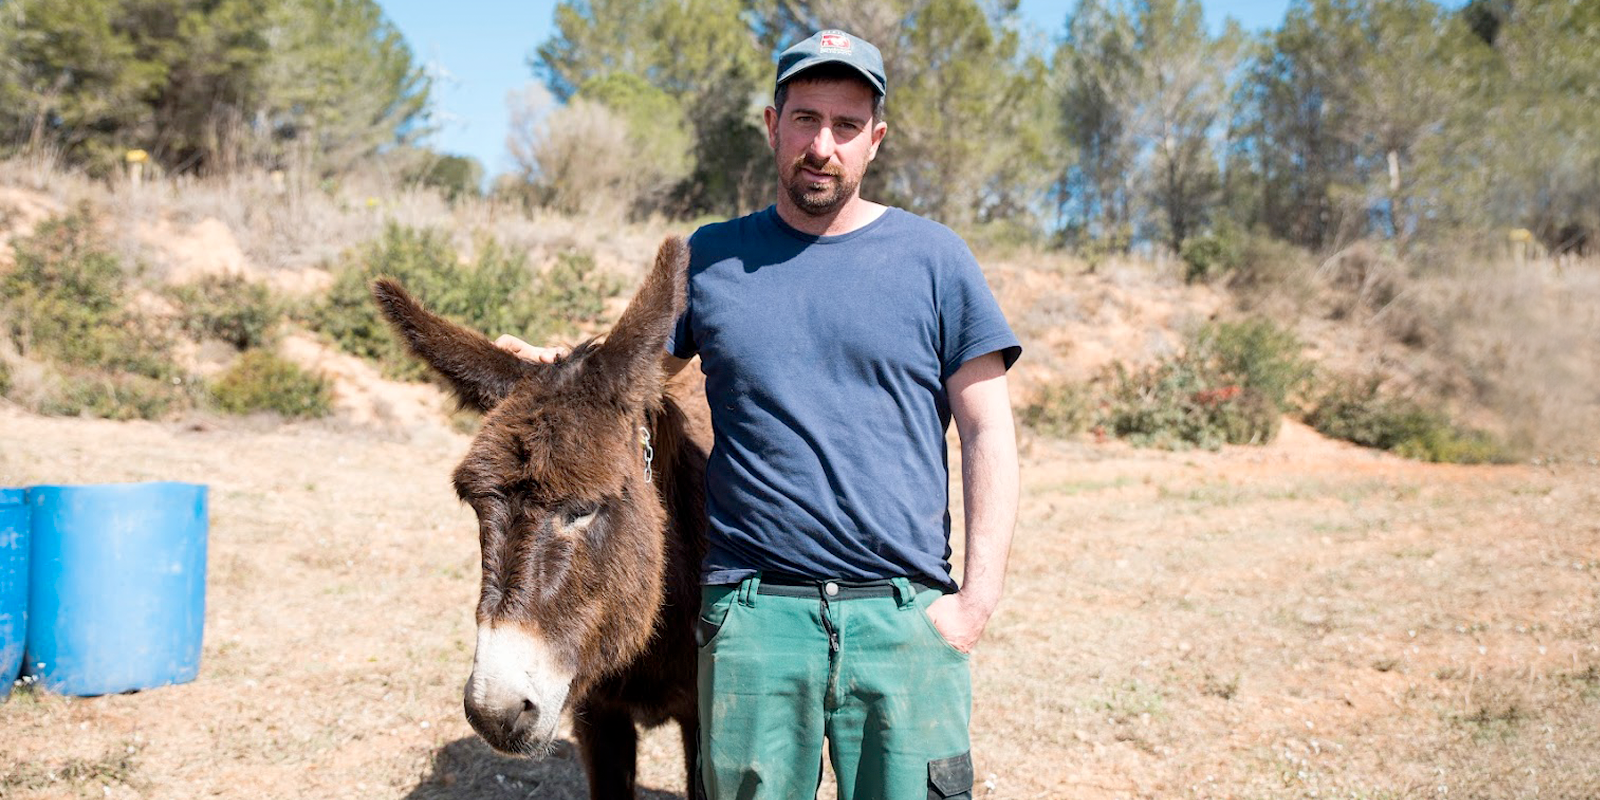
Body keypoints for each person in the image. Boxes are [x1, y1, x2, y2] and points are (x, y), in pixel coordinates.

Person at [497, 28, 1020, 800]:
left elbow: (987, 430)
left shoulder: (935, 259)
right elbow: (634, 383)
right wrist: (553, 371)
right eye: (805, 119)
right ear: (773, 126)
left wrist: (973, 603)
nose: (823, 145)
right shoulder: (712, 258)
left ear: (875, 140)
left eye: (846, 126)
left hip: (903, 617)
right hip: (755, 619)